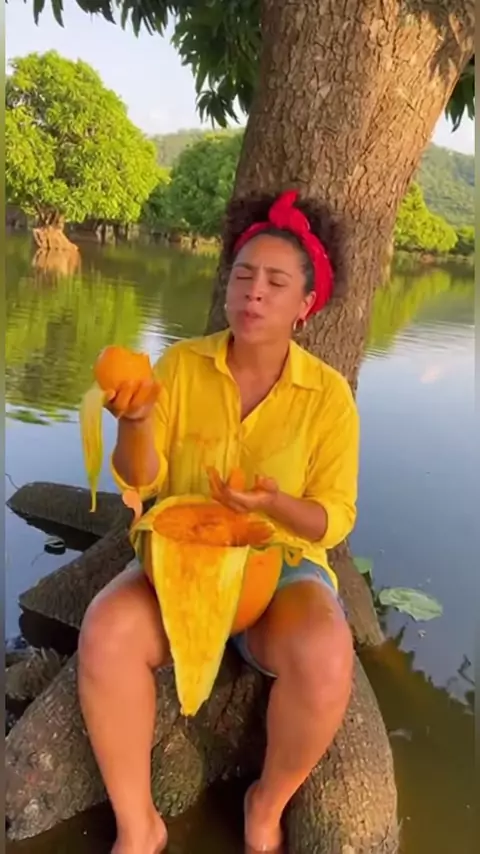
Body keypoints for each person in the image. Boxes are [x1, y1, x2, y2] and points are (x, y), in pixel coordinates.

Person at [78, 190, 359, 854]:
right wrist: (136, 423)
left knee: (327, 655)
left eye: (276, 282)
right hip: (178, 559)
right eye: (242, 274)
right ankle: (138, 825)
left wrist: (274, 506)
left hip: (278, 572)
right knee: (106, 632)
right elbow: (142, 480)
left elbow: (333, 519)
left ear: (305, 303)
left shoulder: (328, 397)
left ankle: (266, 804)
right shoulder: (179, 367)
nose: (254, 291)